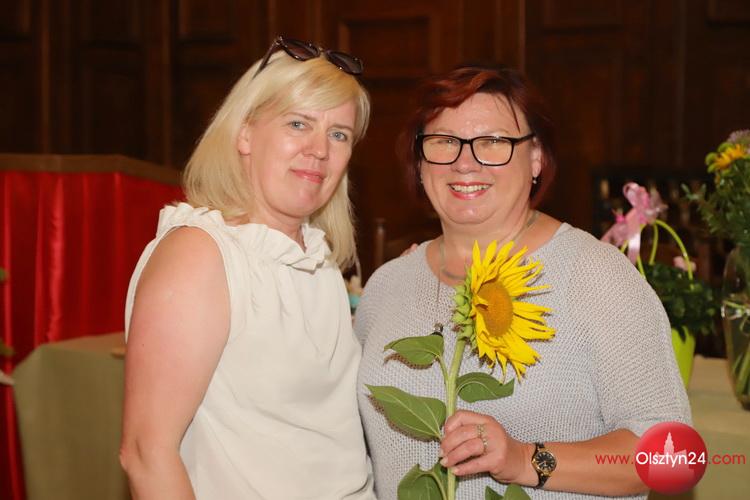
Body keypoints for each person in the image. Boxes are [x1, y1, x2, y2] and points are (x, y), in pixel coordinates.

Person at [356, 65, 691, 499]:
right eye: (444, 141)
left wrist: (526, 460)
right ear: (420, 161)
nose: (464, 162)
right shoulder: (387, 287)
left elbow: (675, 456)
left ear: (536, 158)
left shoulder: (593, 275)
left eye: (493, 142)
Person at [119, 36, 376, 499]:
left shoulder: (316, 260)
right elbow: (146, 453)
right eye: (298, 124)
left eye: (338, 134)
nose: (320, 149)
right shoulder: (201, 255)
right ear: (244, 133)